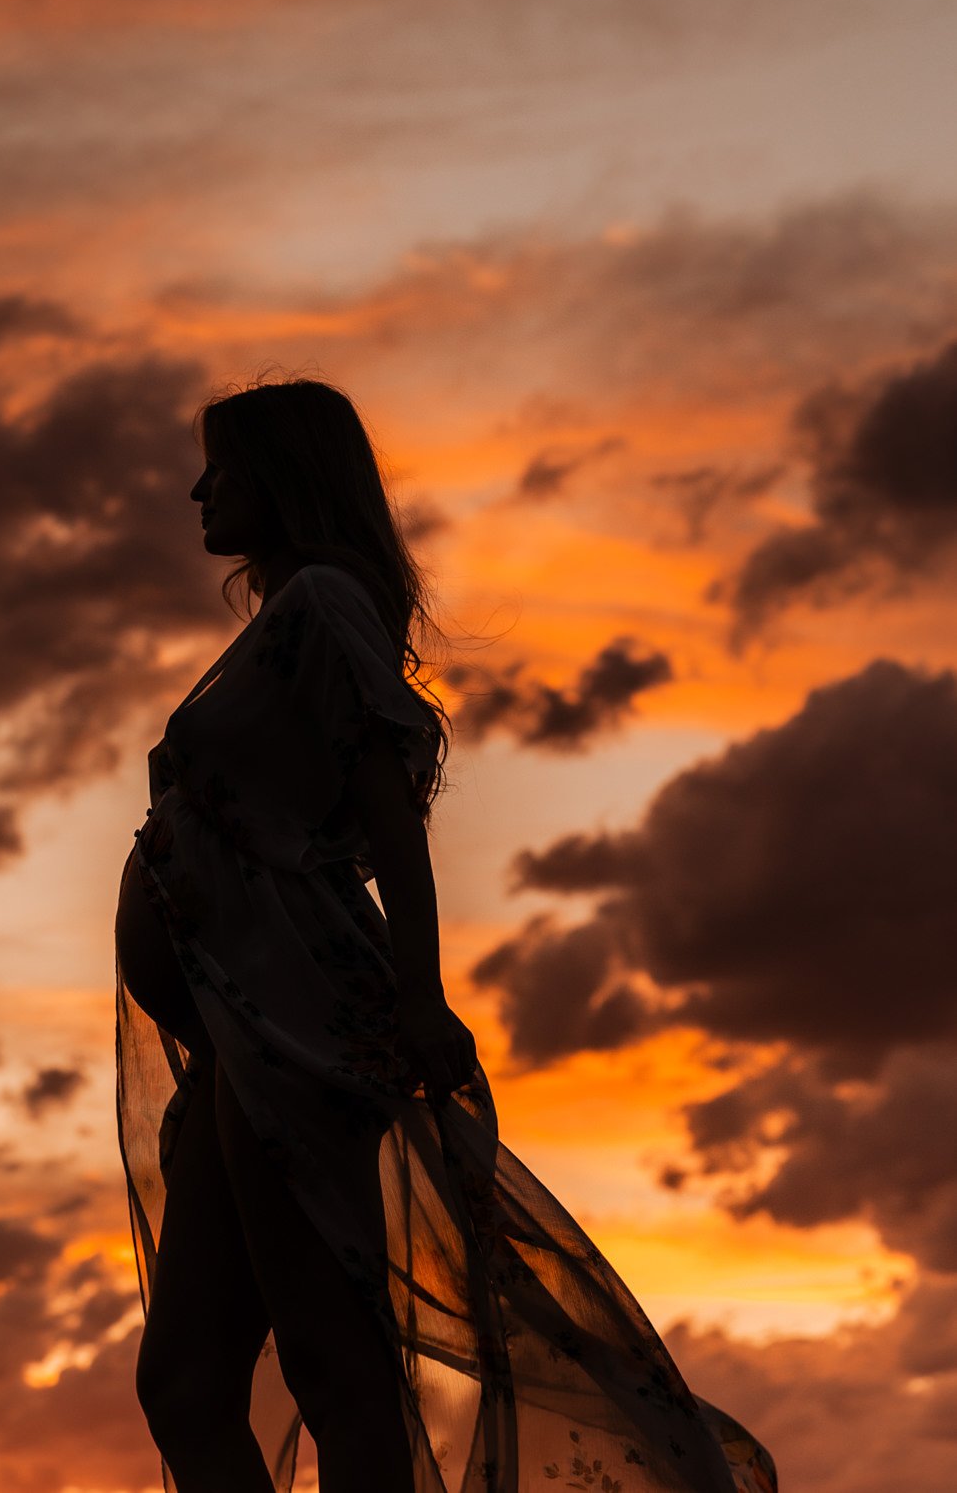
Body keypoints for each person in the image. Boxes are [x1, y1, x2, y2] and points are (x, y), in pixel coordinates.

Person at [115, 378, 776, 1493]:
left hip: (292, 1016)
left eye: (221, 468)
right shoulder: (288, 617)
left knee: (334, 1372)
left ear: (282, 478)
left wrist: (418, 994)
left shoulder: (323, 603)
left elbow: (384, 805)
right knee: (185, 1385)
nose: (197, 489)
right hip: (237, 1024)